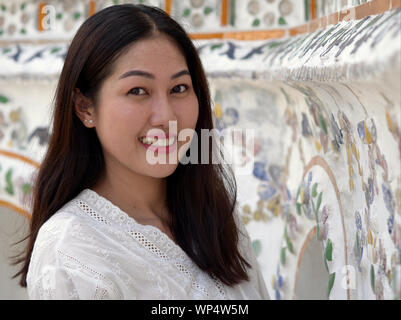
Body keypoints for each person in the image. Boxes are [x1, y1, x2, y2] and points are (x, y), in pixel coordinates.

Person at [13, 4, 270, 300]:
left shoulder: (216, 217)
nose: (166, 117)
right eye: (138, 91)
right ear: (85, 108)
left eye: (179, 88)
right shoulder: (70, 250)